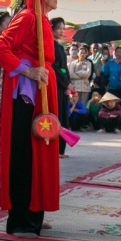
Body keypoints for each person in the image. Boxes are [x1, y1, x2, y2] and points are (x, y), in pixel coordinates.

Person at [0, 0, 60, 238]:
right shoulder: (28, 17)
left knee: (39, 151)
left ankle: (34, 212)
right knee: (24, 153)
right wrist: (27, 69)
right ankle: (21, 218)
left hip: (41, 92)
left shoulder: (40, 19)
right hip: (26, 95)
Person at [50, 17, 72, 158]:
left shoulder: (60, 47)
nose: (61, 31)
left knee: (63, 116)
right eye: (59, 28)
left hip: (63, 85)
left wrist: (68, 84)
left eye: (63, 28)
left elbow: (64, 69)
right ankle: (54, 148)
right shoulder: (50, 45)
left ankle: (60, 149)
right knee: (56, 116)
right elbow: (55, 68)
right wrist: (65, 83)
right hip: (55, 84)